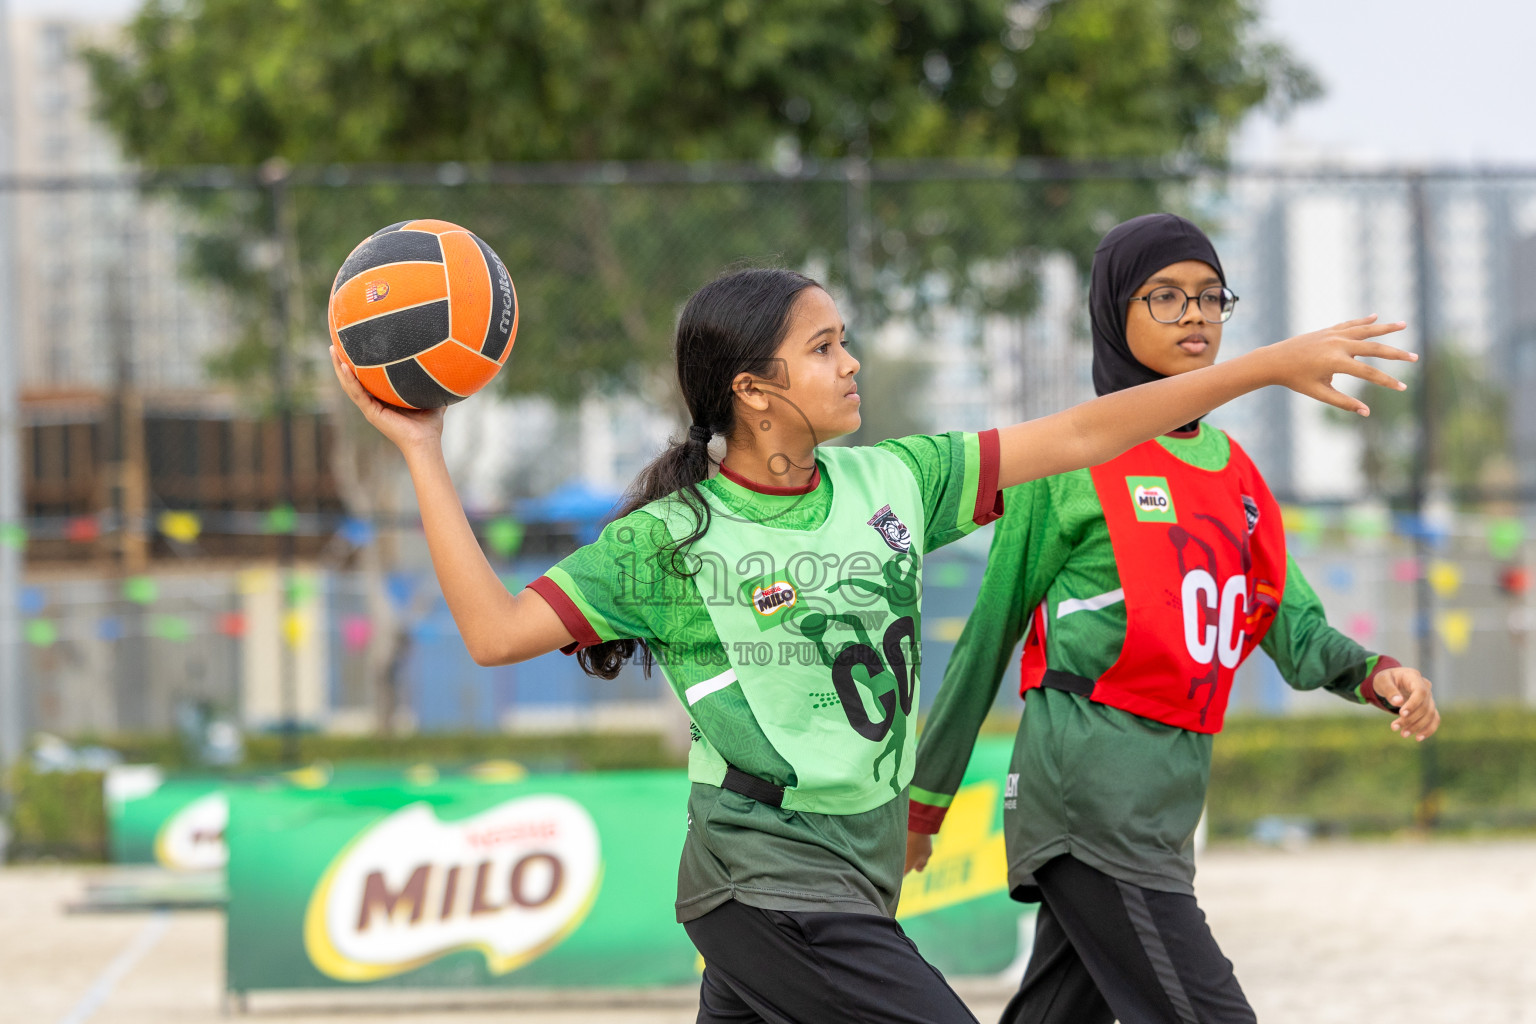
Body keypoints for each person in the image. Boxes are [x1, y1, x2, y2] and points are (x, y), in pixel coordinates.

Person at [331, 264, 1414, 1024]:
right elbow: (491, 631)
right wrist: (423, 451)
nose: (851, 362)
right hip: (766, 882)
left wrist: (1262, 366)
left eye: (844, 339)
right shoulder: (676, 539)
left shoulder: (893, 481)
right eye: (825, 347)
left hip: (848, 881)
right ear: (756, 394)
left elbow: (1086, 431)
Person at [904, 215, 1441, 1024]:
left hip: (1164, 811)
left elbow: (1293, 630)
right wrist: (923, 808)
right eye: (1165, 296)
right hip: (1089, 797)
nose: (1195, 314)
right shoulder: (1069, 461)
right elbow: (987, 639)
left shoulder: (1239, 477)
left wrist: (1374, 672)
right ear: (1113, 313)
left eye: (1210, 296)